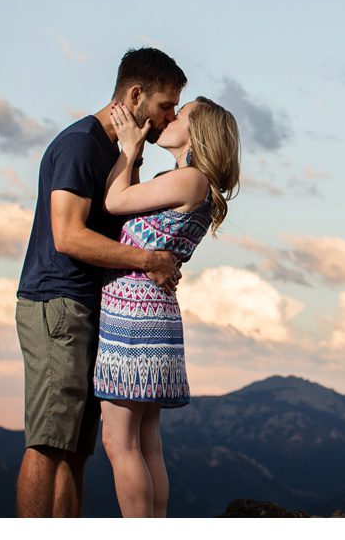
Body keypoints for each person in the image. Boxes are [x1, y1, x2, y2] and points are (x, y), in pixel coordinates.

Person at [14, 47, 187, 518]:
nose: (168, 117)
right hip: (58, 305)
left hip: (90, 309)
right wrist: (148, 258)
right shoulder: (80, 145)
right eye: (164, 105)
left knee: (75, 448)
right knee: (49, 443)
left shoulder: (116, 152)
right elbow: (68, 235)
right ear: (135, 95)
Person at [93, 95, 241, 518]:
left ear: (197, 132)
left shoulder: (189, 179)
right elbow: (135, 196)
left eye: (183, 113)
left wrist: (128, 149)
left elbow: (115, 202)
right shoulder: (190, 182)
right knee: (146, 441)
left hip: (134, 316)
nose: (172, 117)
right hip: (153, 314)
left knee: (120, 442)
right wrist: (136, 159)